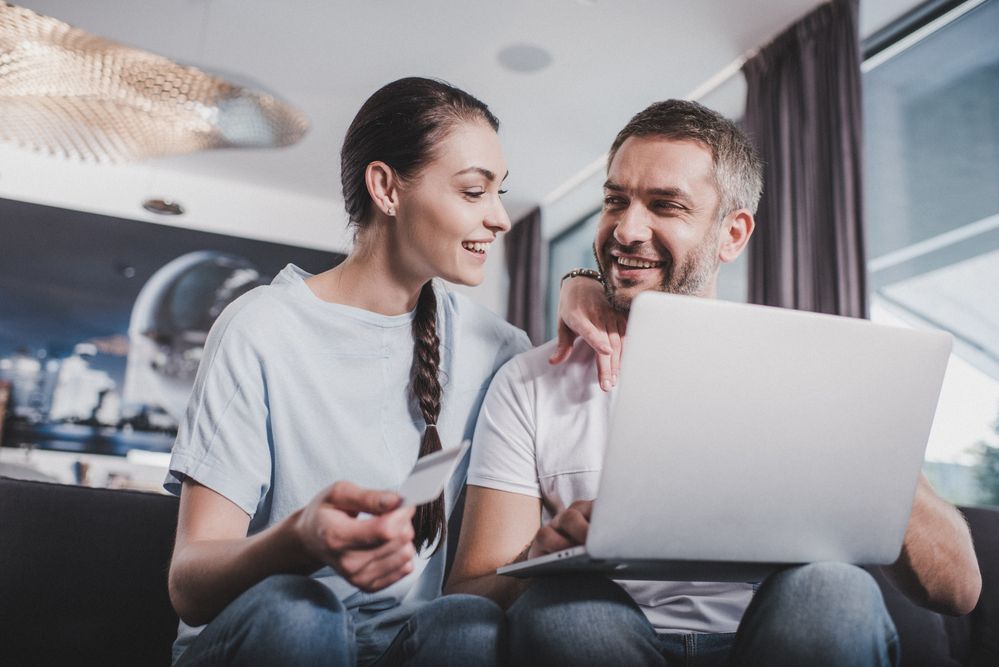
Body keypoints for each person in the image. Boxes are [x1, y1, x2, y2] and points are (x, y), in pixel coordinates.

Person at [445, 99, 983, 667]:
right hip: (604, 638)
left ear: (732, 234)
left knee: (833, 590)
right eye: (615, 201)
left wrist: (862, 433)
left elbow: (958, 590)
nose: (626, 229)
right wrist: (539, 557)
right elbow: (468, 594)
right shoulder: (530, 382)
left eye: (665, 205)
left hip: (775, 635)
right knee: (567, 609)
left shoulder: (811, 369)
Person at [163, 77, 618, 667]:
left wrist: (581, 282)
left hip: (405, 649)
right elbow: (189, 585)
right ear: (386, 188)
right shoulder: (260, 329)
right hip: (266, 637)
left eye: (499, 192)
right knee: (302, 613)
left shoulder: (498, 348)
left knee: (468, 624)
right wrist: (299, 540)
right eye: (475, 192)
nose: (501, 218)